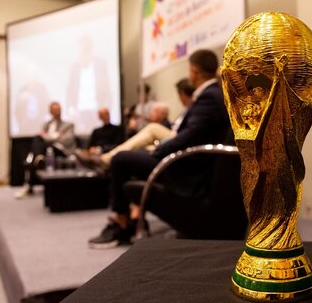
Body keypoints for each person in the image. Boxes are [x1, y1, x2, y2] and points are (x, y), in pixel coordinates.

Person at [88, 49, 229, 249]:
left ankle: (122, 224)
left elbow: (188, 137)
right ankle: (132, 217)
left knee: (121, 159)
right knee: (129, 157)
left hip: (186, 168)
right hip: (186, 160)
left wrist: (159, 151)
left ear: (194, 70)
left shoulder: (209, 97)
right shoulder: (213, 94)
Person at [77, 78, 194, 169]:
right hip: (171, 142)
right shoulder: (188, 111)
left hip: (178, 145)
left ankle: (106, 159)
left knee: (151, 129)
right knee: (133, 151)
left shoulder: (191, 110)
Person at [15, 102, 76, 197]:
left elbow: (68, 140)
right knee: (36, 141)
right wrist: (56, 135)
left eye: (58, 110)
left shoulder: (68, 125)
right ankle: (29, 185)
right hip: (46, 150)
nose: (57, 112)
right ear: (50, 111)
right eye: (55, 110)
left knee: (42, 144)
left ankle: (39, 157)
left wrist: (49, 137)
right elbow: (41, 136)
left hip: (60, 150)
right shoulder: (46, 125)